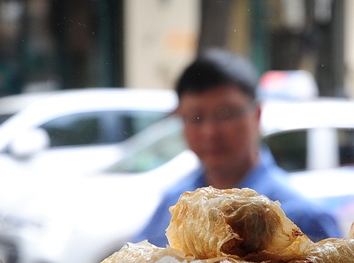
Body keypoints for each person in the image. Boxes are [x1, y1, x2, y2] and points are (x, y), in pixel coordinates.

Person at [134, 48, 342, 246]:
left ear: (257, 115)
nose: (210, 132)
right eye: (195, 117)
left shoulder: (299, 219)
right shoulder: (174, 206)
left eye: (226, 114)